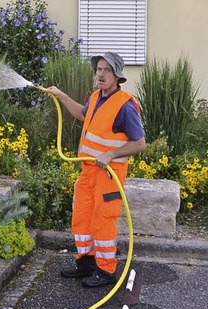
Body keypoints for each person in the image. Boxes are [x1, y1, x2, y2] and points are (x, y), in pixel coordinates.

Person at [45, 52, 146, 288]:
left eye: (106, 70)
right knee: (81, 218)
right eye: (98, 69)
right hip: (88, 172)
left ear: (117, 76)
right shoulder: (96, 97)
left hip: (109, 177)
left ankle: (106, 271)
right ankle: (87, 264)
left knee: (103, 222)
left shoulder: (125, 106)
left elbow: (139, 143)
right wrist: (59, 95)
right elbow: (82, 114)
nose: (100, 74)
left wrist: (110, 154)